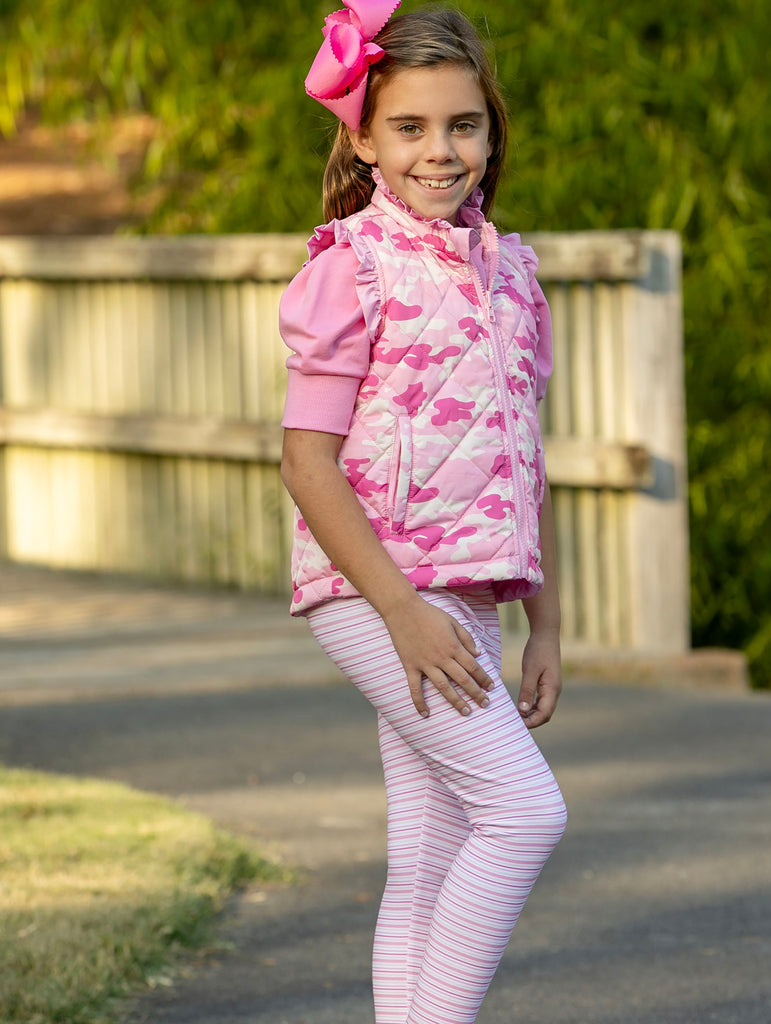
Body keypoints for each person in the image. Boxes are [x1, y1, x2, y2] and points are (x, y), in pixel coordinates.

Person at [279, 3, 567, 1021]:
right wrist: (401, 609)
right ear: (363, 138)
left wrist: (547, 620)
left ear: (491, 129)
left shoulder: (513, 275)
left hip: (473, 591)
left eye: (463, 125)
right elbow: (305, 462)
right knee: (526, 811)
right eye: (409, 128)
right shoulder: (346, 269)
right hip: (376, 590)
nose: (440, 152)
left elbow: (527, 459)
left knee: (434, 849)